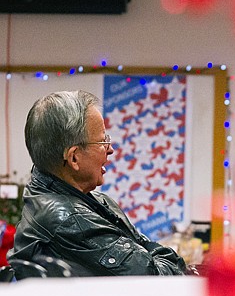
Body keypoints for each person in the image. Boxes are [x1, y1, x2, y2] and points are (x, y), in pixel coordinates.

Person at [8, 90, 188, 276]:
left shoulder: (55, 194)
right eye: (102, 141)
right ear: (74, 158)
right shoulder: (71, 221)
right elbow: (160, 277)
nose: (110, 149)